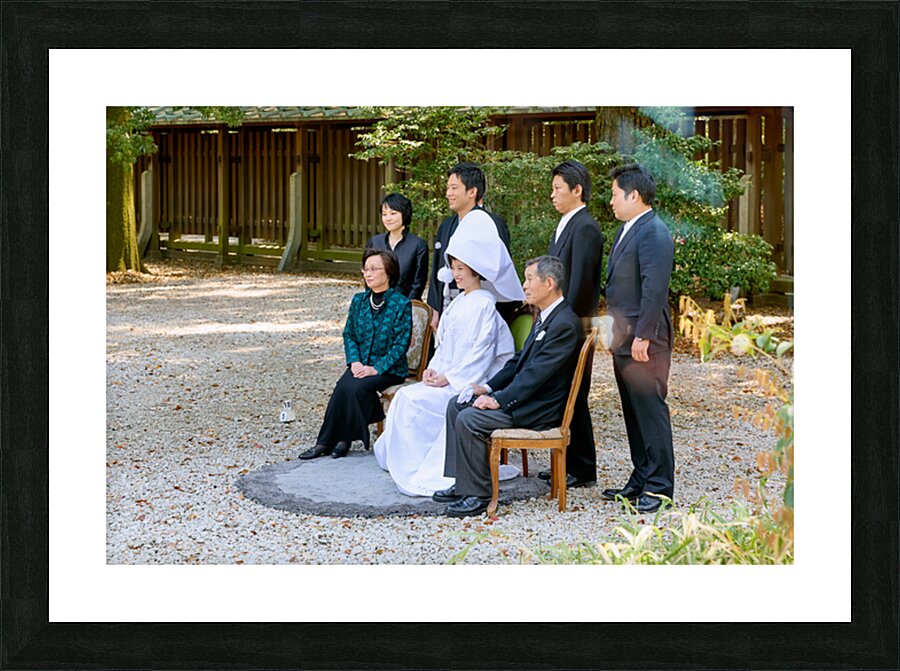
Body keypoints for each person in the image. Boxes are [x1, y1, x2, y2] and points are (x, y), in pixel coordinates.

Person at [432, 256, 583, 517]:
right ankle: (463, 483)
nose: (524, 285)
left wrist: (499, 400)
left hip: (539, 409)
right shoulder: (546, 316)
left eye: (529, 279)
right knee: (456, 404)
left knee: (469, 419)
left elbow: (536, 376)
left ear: (548, 283)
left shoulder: (564, 323)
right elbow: (517, 363)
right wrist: (487, 388)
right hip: (527, 399)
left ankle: (478, 496)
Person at [373, 249, 516, 497]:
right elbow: (444, 347)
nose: (455, 274)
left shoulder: (484, 304)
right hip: (450, 375)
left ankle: (421, 466)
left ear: (475, 270)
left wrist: (449, 378)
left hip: (472, 380)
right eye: (453, 268)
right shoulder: (459, 301)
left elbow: (481, 355)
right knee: (406, 397)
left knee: (413, 401)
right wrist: (433, 370)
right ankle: (405, 461)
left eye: (461, 268)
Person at [602, 164, 675, 513]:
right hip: (623, 336)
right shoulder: (626, 230)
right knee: (632, 410)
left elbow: (654, 288)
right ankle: (642, 475)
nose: (611, 200)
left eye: (615, 194)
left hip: (645, 338)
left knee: (650, 409)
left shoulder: (653, 232)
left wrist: (644, 336)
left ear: (634, 195)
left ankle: (660, 487)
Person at [297, 249, 412, 460]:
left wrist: (375, 368)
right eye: (365, 269)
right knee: (343, 386)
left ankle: (343, 439)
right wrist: (355, 362)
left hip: (389, 369)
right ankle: (325, 442)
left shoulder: (401, 304)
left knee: (356, 388)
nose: (368, 274)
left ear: (389, 272)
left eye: (374, 269)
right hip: (361, 365)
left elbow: (400, 344)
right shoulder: (359, 301)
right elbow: (349, 334)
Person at [536, 159, 604, 489]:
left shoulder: (586, 227)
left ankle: (583, 466)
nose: (552, 195)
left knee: (576, 393)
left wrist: (562, 322)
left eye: (558, 188)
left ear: (577, 190)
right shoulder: (564, 224)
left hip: (573, 324)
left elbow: (581, 285)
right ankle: (567, 460)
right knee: (563, 393)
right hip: (559, 321)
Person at [426, 162, 519, 329]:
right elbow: (437, 269)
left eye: (454, 188)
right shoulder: (447, 225)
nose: (448, 193)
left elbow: (498, 270)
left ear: (472, 191)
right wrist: (435, 308)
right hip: (449, 304)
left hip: (480, 309)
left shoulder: (492, 224)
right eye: (448, 188)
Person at [365, 193, 429, 301]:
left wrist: (405, 307)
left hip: (406, 304)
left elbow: (418, 283)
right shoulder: (374, 242)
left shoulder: (418, 245)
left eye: (393, 213)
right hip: (376, 304)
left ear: (404, 214)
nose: (388, 218)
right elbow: (368, 276)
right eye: (384, 214)